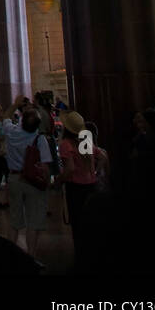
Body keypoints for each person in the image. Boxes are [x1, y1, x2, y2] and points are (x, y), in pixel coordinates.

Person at [1, 100, 53, 261]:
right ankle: (31, 257)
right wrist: (48, 183)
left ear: (22, 120)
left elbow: (6, 116)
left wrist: (16, 103)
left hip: (15, 178)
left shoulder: (11, 132)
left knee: (14, 221)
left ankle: (10, 255)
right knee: (33, 222)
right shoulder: (40, 139)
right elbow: (45, 166)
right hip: (33, 181)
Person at [58, 110, 98, 264]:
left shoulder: (66, 144)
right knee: (90, 222)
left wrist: (58, 181)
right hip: (91, 185)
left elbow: (70, 169)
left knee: (77, 223)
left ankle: (81, 256)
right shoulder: (85, 139)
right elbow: (100, 156)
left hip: (76, 187)